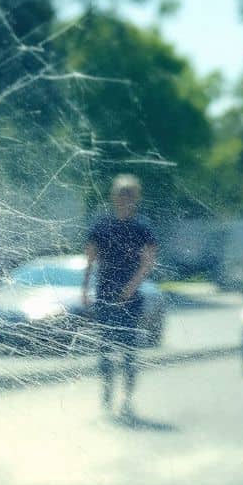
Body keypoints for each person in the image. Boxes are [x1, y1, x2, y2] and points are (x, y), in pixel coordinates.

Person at [82, 174, 158, 417]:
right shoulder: (101, 225)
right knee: (104, 350)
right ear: (113, 197)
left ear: (136, 198)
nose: (125, 199)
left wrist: (131, 287)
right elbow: (90, 259)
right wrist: (85, 289)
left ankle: (126, 399)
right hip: (104, 294)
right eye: (120, 194)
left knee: (128, 352)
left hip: (131, 299)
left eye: (130, 195)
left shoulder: (142, 228)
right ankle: (106, 396)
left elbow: (148, 263)